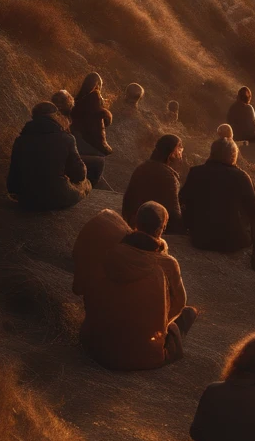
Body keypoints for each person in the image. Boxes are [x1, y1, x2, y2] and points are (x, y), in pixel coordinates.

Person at [82, 201, 197, 371]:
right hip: (140, 358)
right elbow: (179, 304)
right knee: (188, 313)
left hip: (96, 348)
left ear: (136, 222)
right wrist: (160, 325)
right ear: (161, 229)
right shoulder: (167, 263)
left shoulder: (112, 252)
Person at [179, 133, 255, 268]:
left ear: (212, 153)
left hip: (200, 238)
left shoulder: (195, 172)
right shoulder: (241, 176)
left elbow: (182, 199)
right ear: (233, 155)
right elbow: (253, 208)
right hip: (233, 241)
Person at [7, 101, 91, 211]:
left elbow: (12, 182)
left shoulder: (20, 140)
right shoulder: (67, 139)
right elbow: (79, 174)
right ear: (54, 116)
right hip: (56, 198)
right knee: (87, 184)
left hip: (27, 199)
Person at [72, 208, 131, 346]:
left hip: (90, 337)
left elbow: (77, 288)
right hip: (109, 344)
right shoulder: (129, 262)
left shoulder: (89, 248)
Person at [121, 134, 185, 232]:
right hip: (150, 226)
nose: (181, 151)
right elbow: (174, 213)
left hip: (133, 220)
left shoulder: (142, 167)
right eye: (179, 148)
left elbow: (128, 201)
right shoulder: (168, 176)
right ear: (171, 153)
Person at [50, 90, 106, 187]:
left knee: (96, 156)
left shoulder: (48, 116)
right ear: (70, 103)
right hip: (60, 160)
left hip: (57, 154)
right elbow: (69, 150)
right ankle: (89, 186)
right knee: (99, 160)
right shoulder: (62, 121)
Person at [71, 72, 113, 156]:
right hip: (86, 147)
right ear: (97, 87)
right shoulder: (96, 107)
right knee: (101, 159)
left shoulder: (74, 101)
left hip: (73, 143)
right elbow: (97, 135)